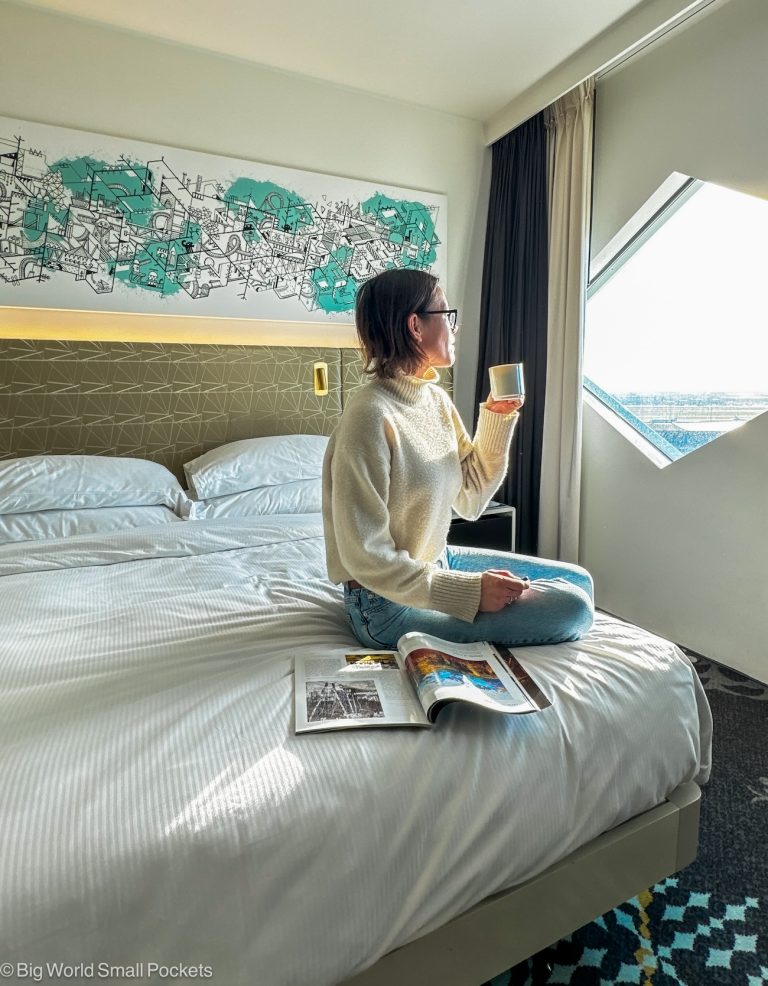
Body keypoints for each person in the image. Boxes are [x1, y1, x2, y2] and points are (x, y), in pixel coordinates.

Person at [322, 268, 594, 650]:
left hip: (437, 562)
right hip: (383, 604)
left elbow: (471, 498)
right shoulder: (369, 416)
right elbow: (365, 557)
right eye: (447, 315)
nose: (455, 327)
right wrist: (467, 592)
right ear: (415, 326)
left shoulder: (434, 400)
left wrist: (497, 417)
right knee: (574, 609)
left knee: (581, 581)